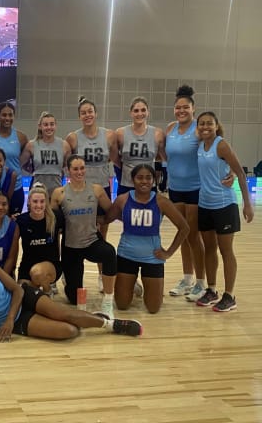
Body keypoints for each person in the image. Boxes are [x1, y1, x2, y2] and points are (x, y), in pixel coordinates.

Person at [0, 243, 142, 346]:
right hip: (19, 320)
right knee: (70, 331)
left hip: (23, 298)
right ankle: (89, 319)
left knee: (65, 313)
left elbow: (17, 289)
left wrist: (9, 319)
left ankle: (112, 325)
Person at [105, 165, 189, 313]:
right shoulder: (122, 200)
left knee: (153, 308)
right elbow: (106, 219)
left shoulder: (161, 202)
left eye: (148, 178)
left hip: (152, 257)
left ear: (153, 181)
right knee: (122, 305)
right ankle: (132, 284)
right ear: (133, 180)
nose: (144, 181)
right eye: (140, 178)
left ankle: (140, 284)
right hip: (127, 256)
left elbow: (184, 228)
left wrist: (168, 253)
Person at [194, 111, 254, 311]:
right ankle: (211, 290)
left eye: (209, 124)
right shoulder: (200, 145)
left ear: (216, 125)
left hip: (224, 205)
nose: (205, 127)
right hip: (205, 204)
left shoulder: (222, 145)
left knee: (226, 250)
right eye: (201, 124)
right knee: (209, 248)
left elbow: (240, 173)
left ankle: (229, 295)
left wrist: (247, 204)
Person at [51, 155, 116, 318]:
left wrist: (103, 219)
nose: (79, 172)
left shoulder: (96, 189)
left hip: (91, 242)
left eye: (82, 168)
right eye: (75, 169)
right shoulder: (59, 193)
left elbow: (112, 210)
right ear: (68, 171)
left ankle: (108, 300)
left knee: (109, 252)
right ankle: (69, 279)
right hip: (71, 247)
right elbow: (51, 220)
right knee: (73, 300)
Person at [65, 97, 119, 292]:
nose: (87, 115)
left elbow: (117, 159)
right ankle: (68, 270)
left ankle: (101, 274)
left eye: (90, 111)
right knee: (73, 229)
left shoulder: (109, 135)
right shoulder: (73, 137)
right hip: (80, 189)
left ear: (96, 113)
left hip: (102, 189)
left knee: (101, 234)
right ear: (79, 116)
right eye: (83, 112)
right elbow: (67, 163)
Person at [164, 85, 208, 301]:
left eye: (186, 107)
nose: (182, 111)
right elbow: (166, 155)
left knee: (193, 234)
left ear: (193, 109)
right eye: (178, 107)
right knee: (182, 233)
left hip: (195, 190)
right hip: (175, 189)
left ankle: (201, 282)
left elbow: (217, 147)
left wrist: (229, 173)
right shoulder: (171, 128)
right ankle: (187, 278)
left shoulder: (199, 130)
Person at [16, 183, 62, 295]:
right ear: (29, 202)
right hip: (27, 265)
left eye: (42, 201)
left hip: (50, 265)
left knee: (37, 273)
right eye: (35, 201)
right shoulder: (21, 221)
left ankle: (48, 291)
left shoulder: (55, 218)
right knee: (23, 293)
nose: (39, 205)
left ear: (46, 202)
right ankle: (38, 293)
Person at [115, 97, 166, 195]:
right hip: (127, 184)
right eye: (136, 110)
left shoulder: (158, 133)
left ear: (148, 112)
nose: (139, 113)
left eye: (143, 110)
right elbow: (113, 157)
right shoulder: (120, 133)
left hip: (149, 184)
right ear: (131, 113)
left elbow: (161, 158)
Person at [20, 111, 71, 197]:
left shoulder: (64, 145)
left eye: (52, 124)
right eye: (46, 125)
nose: (49, 127)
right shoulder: (31, 145)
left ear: (56, 125)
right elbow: (20, 164)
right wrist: (33, 170)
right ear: (40, 126)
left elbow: (68, 167)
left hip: (56, 190)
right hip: (37, 190)